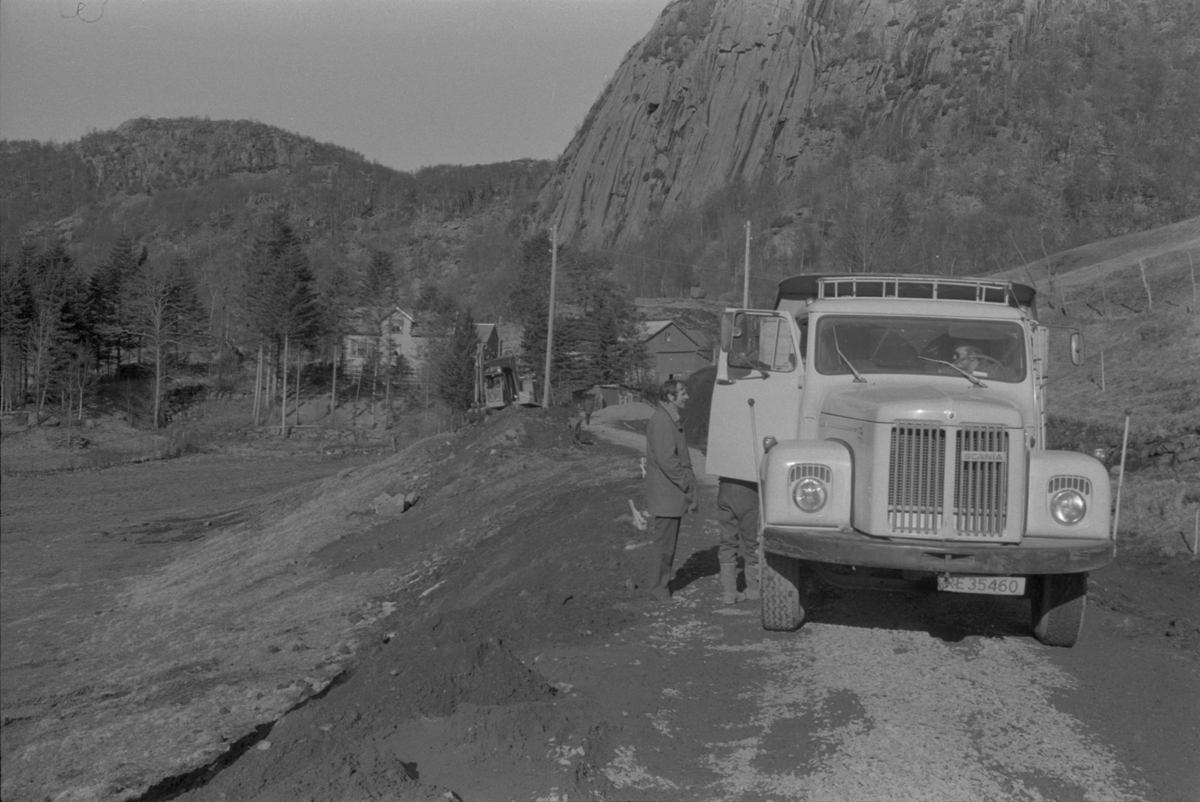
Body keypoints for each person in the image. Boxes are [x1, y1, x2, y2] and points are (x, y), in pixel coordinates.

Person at [643, 379, 697, 600]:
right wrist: (685, 481)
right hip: (667, 494)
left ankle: (661, 586)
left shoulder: (669, 419)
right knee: (664, 545)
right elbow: (667, 460)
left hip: (669, 494)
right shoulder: (663, 421)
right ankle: (658, 589)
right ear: (670, 397)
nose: (687, 397)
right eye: (682, 393)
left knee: (667, 544)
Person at [716, 478, 759, 604]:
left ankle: (730, 593)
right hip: (748, 489)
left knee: (727, 542)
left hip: (725, 488)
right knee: (752, 541)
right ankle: (753, 588)